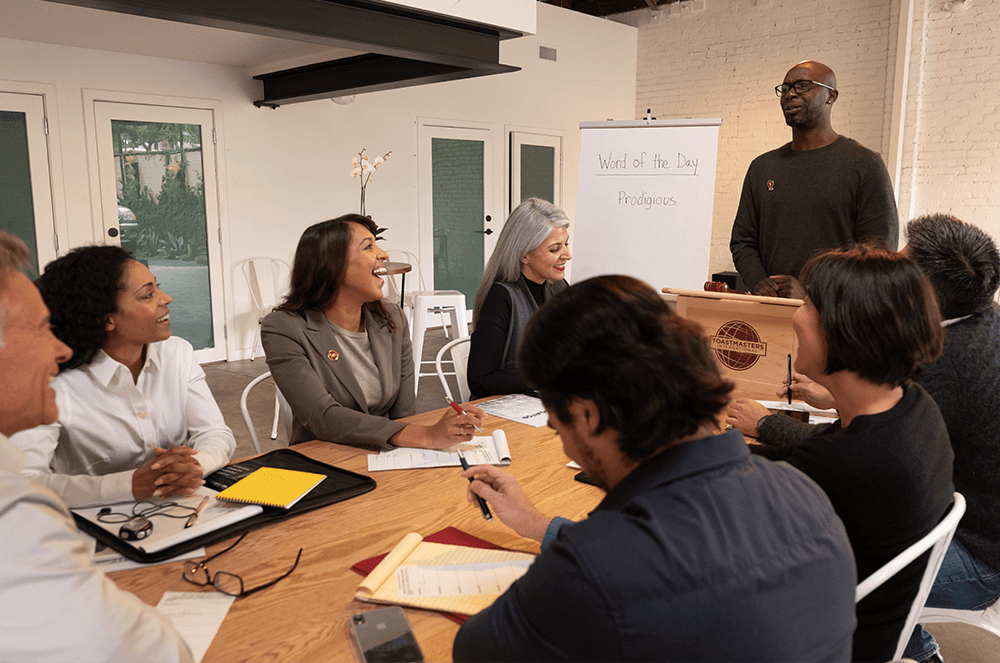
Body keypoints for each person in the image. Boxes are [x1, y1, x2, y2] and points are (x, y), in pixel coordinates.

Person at [453, 275, 857, 662]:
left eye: (553, 410)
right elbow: (679, 565)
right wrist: (537, 525)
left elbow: (475, 650)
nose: (550, 425)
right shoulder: (804, 494)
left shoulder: (595, 569)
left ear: (588, 414)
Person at [731, 215, 1000, 663]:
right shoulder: (923, 384)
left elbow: (845, 458)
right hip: (939, 521)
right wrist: (839, 393)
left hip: (973, 554)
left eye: (896, 270)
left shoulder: (943, 374)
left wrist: (764, 425)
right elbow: (866, 437)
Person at [0, 232, 193, 662]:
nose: (60, 348)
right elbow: (142, 649)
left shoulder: (176, 355)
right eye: (39, 330)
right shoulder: (14, 509)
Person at [10, 245, 236, 509]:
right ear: (107, 320)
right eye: (148, 295)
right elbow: (24, 482)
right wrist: (129, 485)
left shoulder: (177, 353)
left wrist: (195, 465)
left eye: (157, 287)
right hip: (95, 525)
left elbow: (215, 432)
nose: (166, 299)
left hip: (182, 508)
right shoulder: (54, 385)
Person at [262, 214, 482, 448]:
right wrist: (425, 435)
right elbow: (322, 418)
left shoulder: (391, 318)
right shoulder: (283, 327)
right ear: (332, 264)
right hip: (325, 458)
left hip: (388, 456)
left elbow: (404, 413)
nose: (384, 255)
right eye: (369, 246)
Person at [729, 60, 898, 298]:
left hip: (837, 318)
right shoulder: (762, 167)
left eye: (803, 86)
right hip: (771, 313)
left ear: (831, 96)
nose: (790, 94)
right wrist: (760, 283)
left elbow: (880, 253)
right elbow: (743, 241)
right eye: (785, 88)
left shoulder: (864, 163)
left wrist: (811, 294)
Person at [468, 198, 571, 397]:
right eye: (555, 249)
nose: (567, 254)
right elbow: (480, 381)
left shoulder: (559, 287)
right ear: (525, 255)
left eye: (566, 244)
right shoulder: (500, 298)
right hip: (507, 414)